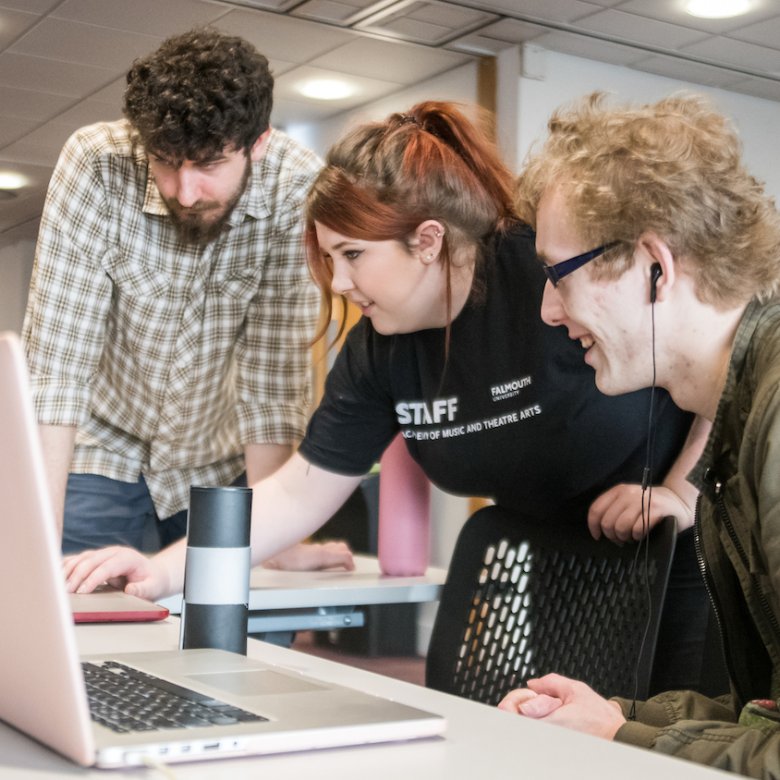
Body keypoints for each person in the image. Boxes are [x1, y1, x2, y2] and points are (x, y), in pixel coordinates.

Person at [64, 100, 706, 692]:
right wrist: (164, 571)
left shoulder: (539, 278)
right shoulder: (380, 348)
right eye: (329, 259)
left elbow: (714, 356)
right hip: (553, 560)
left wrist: (682, 488)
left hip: (674, 545)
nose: (340, 282)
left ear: (427, 241)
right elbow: (297, 491)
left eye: (353, 255)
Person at [497, 92, 780, 777]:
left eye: (559, 275)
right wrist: (617, 719)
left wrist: (621, 737)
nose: (548, 310)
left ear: (655, 266)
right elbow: (763, 714)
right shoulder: (745, 409)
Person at [22, 27, 351, 571]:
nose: (185, 190)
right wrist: (37, 539)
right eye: (167, 161)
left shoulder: (296, 185)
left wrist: (274, 542)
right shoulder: (96, 164)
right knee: (74, 621)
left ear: (258, 144)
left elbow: (273, 384)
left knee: (242, 625)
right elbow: (55, 374)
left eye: (209, 165)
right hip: (101, 448)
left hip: (220, 461)